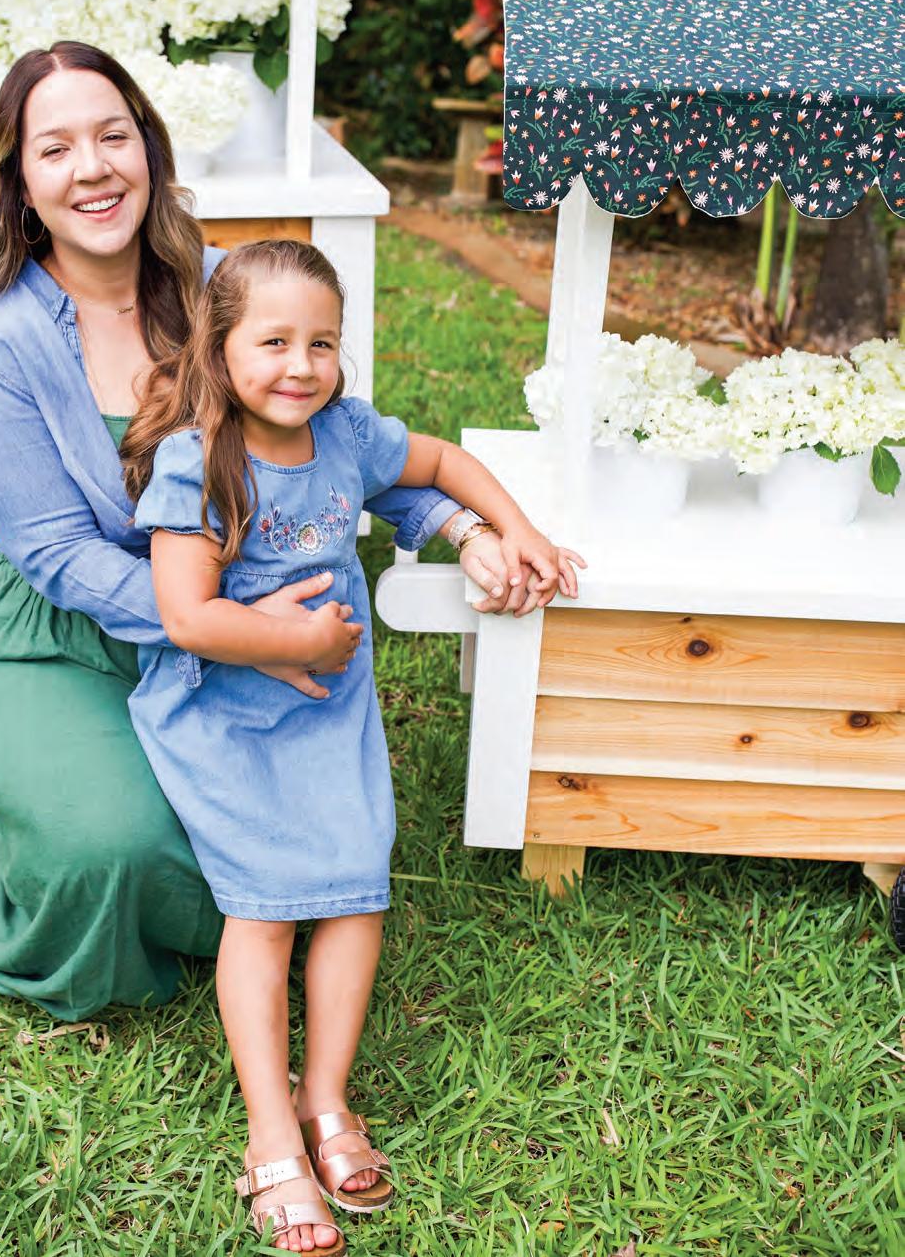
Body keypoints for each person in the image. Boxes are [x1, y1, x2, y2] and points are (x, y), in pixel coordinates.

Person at [0, 40, 551, 1024]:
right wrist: (242, 628)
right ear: (19, 182)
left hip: (233, 618)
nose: (91, 168)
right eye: (54, 149)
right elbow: (59, 557)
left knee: (289, 842)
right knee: (116, 848)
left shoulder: (231, 286)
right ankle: (28, 854)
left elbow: (330, 442)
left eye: (112, 136)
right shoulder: (0, 348)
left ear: (149, 149)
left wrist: (463, 524)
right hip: (69, 631)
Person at [121, 239, 584, 1254]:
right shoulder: (198, 461)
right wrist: (298, 640)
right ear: (218, 346)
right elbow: (187, 616)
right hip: (226, 715)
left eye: (321, 343)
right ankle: (269, 1132)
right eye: (273, 342)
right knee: (264, 909)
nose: (301, 366)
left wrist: (514, 529)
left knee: (355, 888)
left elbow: (441, 463)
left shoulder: (343, 436)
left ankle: (325, 1095)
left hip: (329, 711)